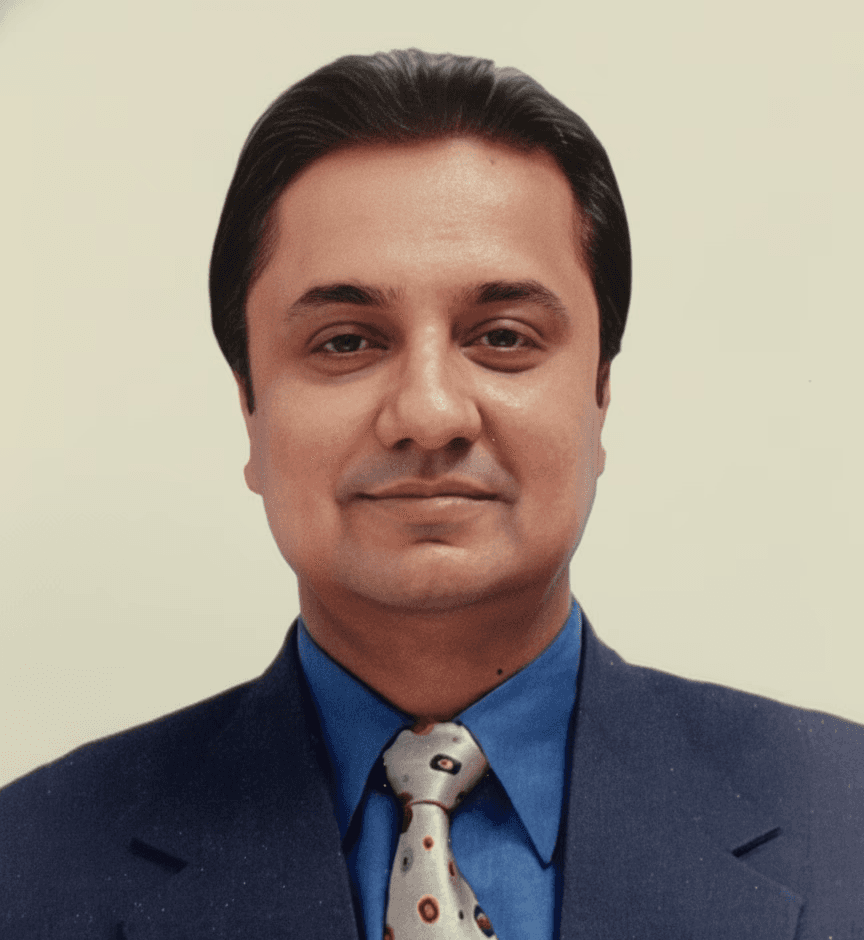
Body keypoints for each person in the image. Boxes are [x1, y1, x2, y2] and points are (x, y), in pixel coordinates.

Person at [1, 48, 861, 939]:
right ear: (249, 410)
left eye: (501, 336)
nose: (429, 413)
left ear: (600, 396)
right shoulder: (25, 866)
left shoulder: (848, 825)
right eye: (345, 343)